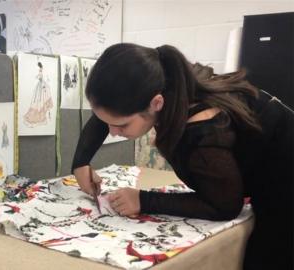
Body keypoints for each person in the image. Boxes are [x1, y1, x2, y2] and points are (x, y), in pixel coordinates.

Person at [72, 43, 293, 269]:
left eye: (122, 125)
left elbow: (224, 205)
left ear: (156, 103)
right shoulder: (166, 78)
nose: (112, 132)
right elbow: (107, 113)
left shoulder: (201, 127)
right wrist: (80, 161)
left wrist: (143, 200)